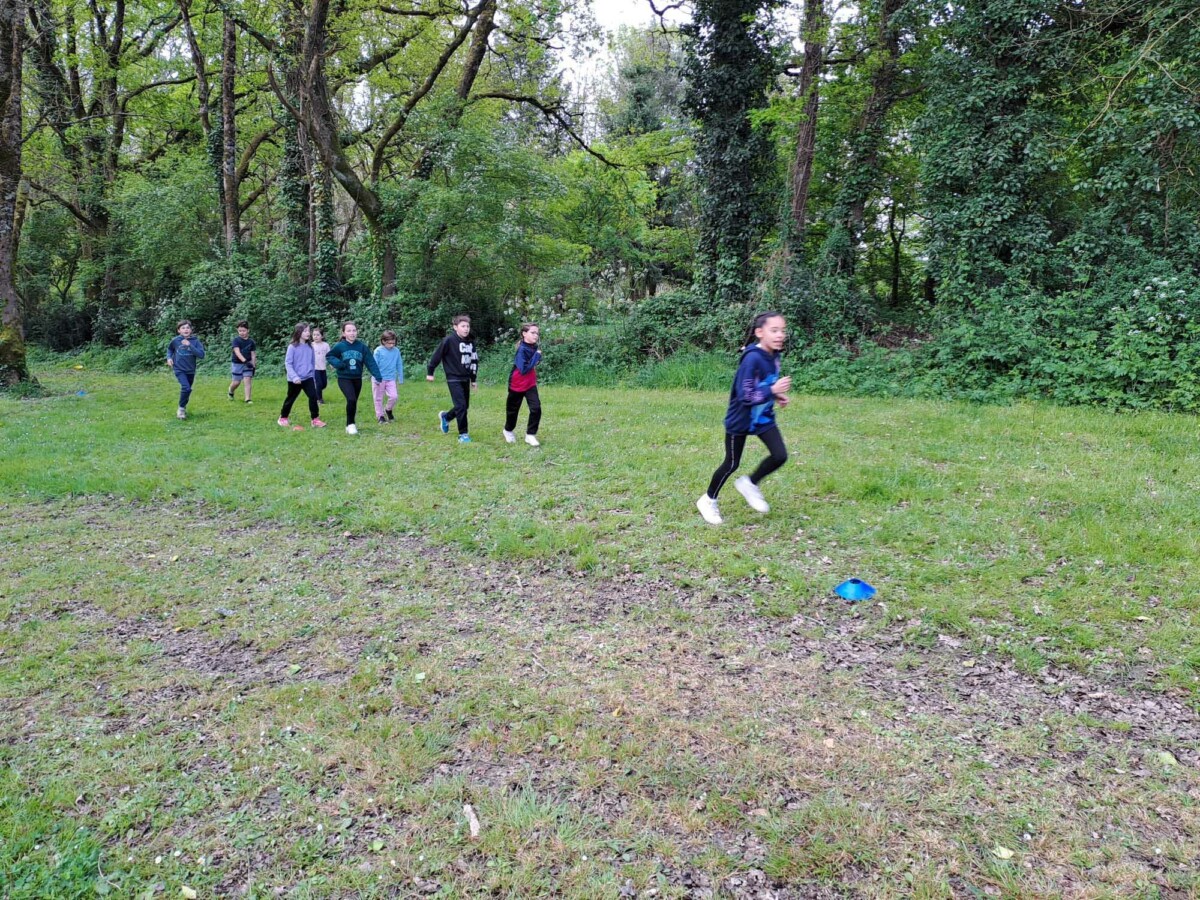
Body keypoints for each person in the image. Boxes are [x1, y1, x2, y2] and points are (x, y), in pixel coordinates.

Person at [696, 311, 792, 525]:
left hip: (762, 418)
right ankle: (708, 500)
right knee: (731, 463)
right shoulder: (752, 358)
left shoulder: (775, 355)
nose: (780, 335)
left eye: (782, 330)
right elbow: (745, 395)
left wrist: (776, 395)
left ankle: (749, 484)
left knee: (780, 455)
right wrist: (772, 390)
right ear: (760, 332)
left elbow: (763, 385)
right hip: (740, 418)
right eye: (774, 330)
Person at [426, 314, 478, 443]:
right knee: (461, 406)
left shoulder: (471, 342)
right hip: (453, 377)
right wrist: (430, 372)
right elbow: (437, 355)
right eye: (463, 326)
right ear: (455, 327)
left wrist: (473, 379)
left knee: (464, 406)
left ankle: (446, 417)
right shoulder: (448, 340)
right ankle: (463, 434)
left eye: (467, 326)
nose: (466, 329)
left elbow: (474, 360)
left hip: (465, 377)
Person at [326, 320, 383, 435]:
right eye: (349, 331)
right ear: (344, 333)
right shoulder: (340, 346)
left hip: (357, 378)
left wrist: (377, 375)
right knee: (351, 399)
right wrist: (339, 364)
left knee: (353, 402)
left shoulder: (362, 347)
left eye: (354, 330)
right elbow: (330, 356)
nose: (352, 333)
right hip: (344, 378)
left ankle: (349, 424)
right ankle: (352, 425)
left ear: (357, 332)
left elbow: (370, 362)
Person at [278, 322, 326, 429]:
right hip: (294, 379)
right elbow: (288, 363)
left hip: (308, 377)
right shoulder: (292, 347)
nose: (308, 333)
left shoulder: (310, 347)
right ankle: (283, 417)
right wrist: (294, 377)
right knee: (291, 398)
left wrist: (312, 377)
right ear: (298, 332)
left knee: (313, 397)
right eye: (305, 331)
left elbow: (312, 363)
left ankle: (315, 419)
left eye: (308, 331)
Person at [503, 323, 542, 446]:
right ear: (524, 334)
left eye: (537, 333)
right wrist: (537, 356)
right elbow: (524, 369)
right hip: (517, 384)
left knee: (536, 409)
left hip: (530, 384)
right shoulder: (521, 350)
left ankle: (530, 435)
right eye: (532, 332)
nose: (536, 335)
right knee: (513, 411)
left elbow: (534, 363)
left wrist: (537, 358)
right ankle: (508, 431)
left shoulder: (534, 347)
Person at [166, 320, 206, 420]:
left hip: (191, 370)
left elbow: (201, 355)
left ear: (191, 330)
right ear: (179, 330)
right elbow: (170, 349)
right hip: (179, 369)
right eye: (183, 328)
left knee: (187, 391)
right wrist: (169, 358)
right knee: (186, 388)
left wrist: (189, 345)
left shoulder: (195, 341)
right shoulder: (176, 340)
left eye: (188, 328)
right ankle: (181, 409)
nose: (186, 330)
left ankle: (183, 407)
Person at [371, 330, 404, 424]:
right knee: (378, 398)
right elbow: (374, 365)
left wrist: (400, 377)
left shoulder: (396, 351)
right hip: (379, 379)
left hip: (391, 378)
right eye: (389, 343)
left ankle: (388, 409)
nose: (392, 345)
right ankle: (380, 416)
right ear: (383, 341)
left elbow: (399, 364)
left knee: (394, 396)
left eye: (393, 343)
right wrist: (376, 377)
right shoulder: (378, 351)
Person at [228, 320, 257, 403]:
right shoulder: (236, 340)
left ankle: (247, 399)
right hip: (237, 363)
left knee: (247, 379)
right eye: (240, 331)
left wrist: (253, 365)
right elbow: (237, 352)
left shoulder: (251, 342)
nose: (242, 333)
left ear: (248, 330)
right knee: (236, 382)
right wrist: (245, 361)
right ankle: (231, 391)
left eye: (243, 331)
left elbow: (253, 354)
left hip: (248, 364)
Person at [311, 327, 330, 404]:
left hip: (323, 368)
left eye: (318, 335)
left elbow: (329, 356)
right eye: (314, 335)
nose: (315, 336)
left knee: (324, 384)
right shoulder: (311, 345)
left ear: (322, 336)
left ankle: (315, 391)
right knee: (319, 384)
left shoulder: (325, 345)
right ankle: (319, 399)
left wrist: (331, 364)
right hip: (315, 368)